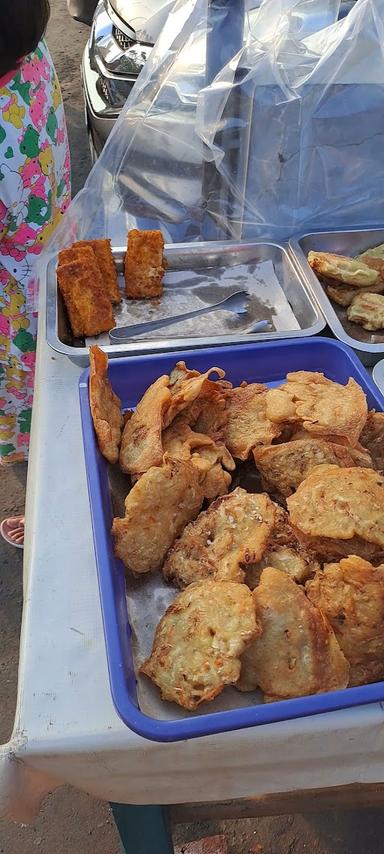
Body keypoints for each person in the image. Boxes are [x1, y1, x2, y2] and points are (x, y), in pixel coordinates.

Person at [0, 0, 71, 547]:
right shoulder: (34, 58)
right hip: (45, 260)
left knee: (27, 399)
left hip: (13, 295)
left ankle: (48, 507)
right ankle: (49, 492)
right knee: (45, 386)